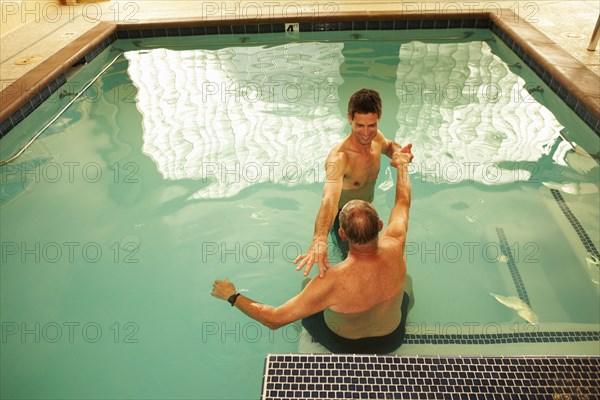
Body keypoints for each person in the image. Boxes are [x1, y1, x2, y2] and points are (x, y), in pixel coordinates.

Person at [211, 144, 413, 354]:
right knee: (407, 282)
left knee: (306, 285)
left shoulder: (329, 282)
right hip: (391, 338)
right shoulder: (396, 243)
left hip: (344, 345)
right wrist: (402, 165)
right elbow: (403, 201)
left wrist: (232, 295)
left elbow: (274, 319)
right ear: (380, 226)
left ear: (342, 235)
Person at [293, 88, 403, 278]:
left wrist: (399, 154)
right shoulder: (339, 159)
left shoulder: (377, 138)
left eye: (372, 125)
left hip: (367, 213)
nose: (366, 133)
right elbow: (329, 200)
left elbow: (389, 146)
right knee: (356, 271)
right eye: (359, 125)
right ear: (349, 118)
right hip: (346, 221)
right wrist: (319, 239)